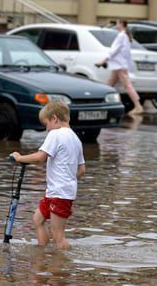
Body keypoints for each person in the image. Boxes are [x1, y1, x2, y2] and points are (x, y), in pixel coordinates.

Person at [9, 100, 84, 249]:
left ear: (54, 118)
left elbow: (39, 157)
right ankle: (43, 254)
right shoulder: (76, 139)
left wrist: (19, 158)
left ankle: (65, 264)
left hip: (59, 193)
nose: (47, 129)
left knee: (58, 236)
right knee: (38, 219)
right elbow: (81, 170)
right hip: (57, 191)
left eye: (46, 124)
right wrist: (67, 181)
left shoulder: (56, 134)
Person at [96, 18, 143, 115]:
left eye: (117, 23)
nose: (116, 25)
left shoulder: (121, 36)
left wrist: (102, 61)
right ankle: (101, 104)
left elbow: (114, 51)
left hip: (120, 66)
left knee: (127, 86)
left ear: (121, 24)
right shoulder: (125, 35)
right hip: (119, 65)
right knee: (108, 85)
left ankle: (138, 106)